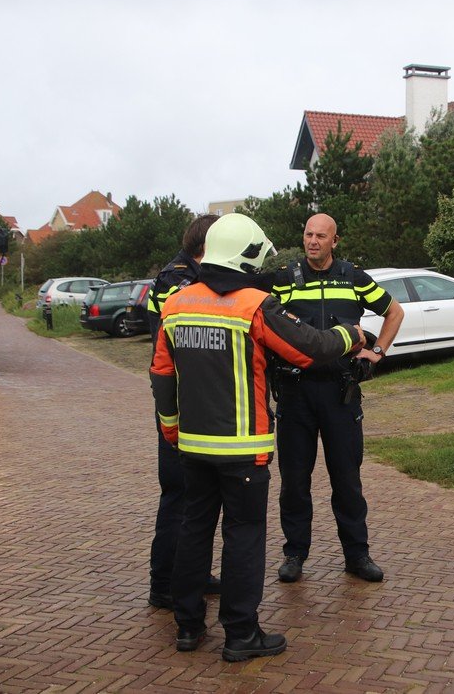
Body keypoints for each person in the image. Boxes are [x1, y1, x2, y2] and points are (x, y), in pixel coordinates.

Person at [149, 213, 366, 661]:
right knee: (243, 536)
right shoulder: (254, 304)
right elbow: (310, 349)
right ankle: (241, 634)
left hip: (192, 444)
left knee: (194, 531)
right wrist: (351, 334)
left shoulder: (178, 303)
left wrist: (171, 427)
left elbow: (161, 376)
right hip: (243, 450)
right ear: (247, 255)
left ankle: (188, 628)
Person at [271, 213, 405, 584]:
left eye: (321, 236)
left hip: (340, 394)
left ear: (335, 241)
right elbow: (263, 321)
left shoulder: (353, 278)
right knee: (294, 481)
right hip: (296, 393)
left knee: (347, 479)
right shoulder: (285, 280)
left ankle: (357, 555)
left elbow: (395, 311)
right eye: (308, 234)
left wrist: (377, 351)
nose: (313, 241)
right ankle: (295, 553)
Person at [145, 214, 220, 610]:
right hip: (177, 400)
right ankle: (163, 585)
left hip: (195, 398)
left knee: (199, 497)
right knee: (178, 493)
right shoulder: (175, 278)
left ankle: (194, 573)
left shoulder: (193, 272)